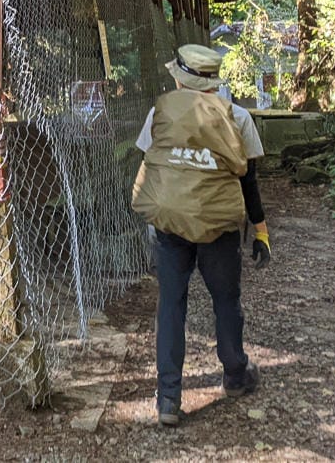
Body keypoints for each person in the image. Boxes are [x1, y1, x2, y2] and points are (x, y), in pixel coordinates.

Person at [132, 44, 271, 427]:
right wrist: (261, 233)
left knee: (171, 305)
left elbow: (150, 161)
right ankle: (235, 376)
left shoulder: (159, 112)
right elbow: (250, 183)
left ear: (179, 77)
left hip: (169, 225)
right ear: (213, 81)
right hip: (218, 227)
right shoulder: (238, 116)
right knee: (226, 300)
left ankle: (168, 399)